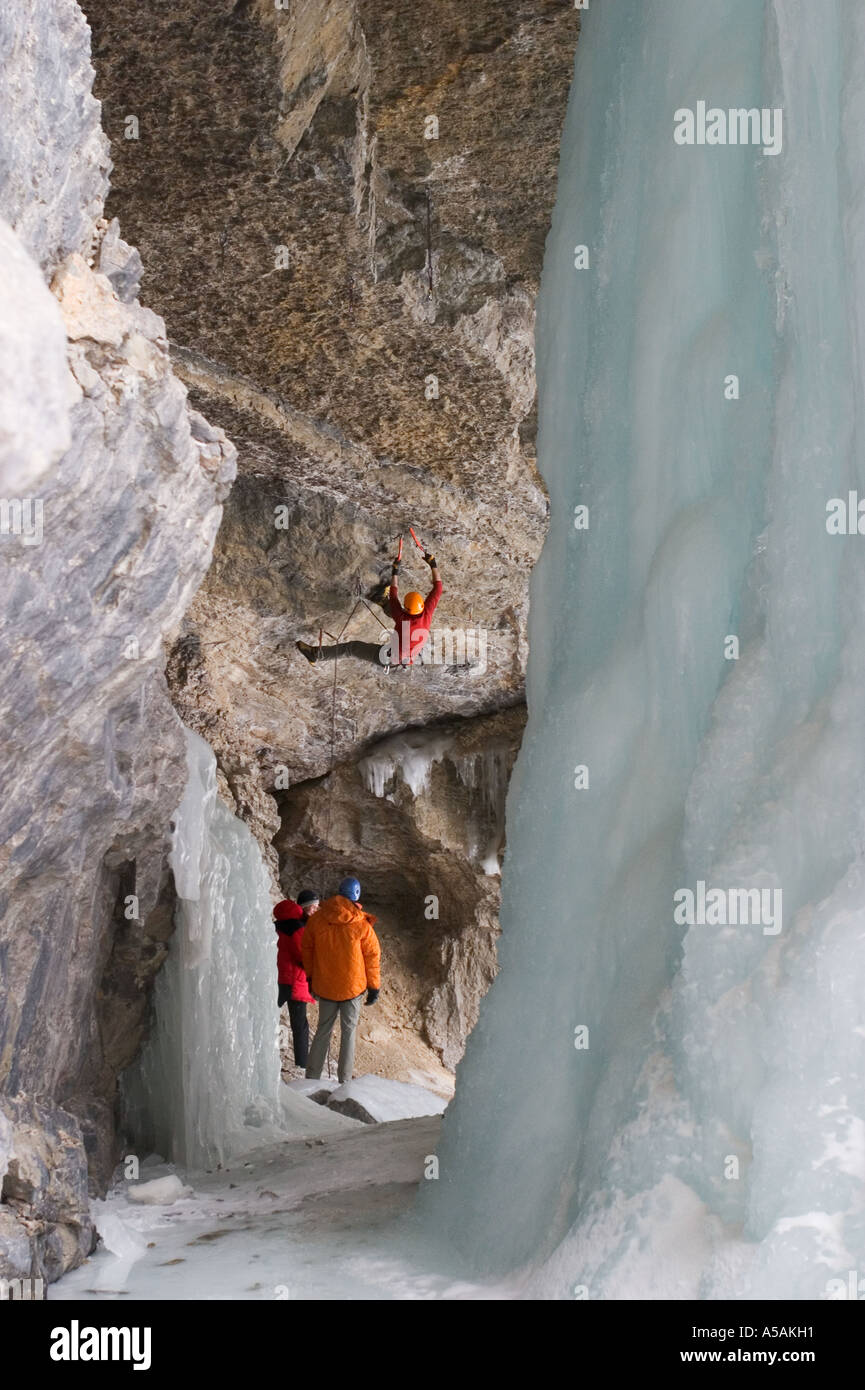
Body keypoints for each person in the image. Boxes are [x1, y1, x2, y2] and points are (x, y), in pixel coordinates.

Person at [296, 550, 442, 669]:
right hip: (404, 654)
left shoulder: (402, 616)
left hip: (387, 658)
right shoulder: (426, 613)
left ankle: (316, 655)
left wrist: (396, 572)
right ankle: (381, 600)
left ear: (408, 608)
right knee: (397, 615)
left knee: (351, 648)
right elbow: (437, 589)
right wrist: (432, 564)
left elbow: (394, 594)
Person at [302, 876, 381, 1084]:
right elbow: (372, 956)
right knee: (348, 1033)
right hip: (352, 988)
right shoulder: (362, 925)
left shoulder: (317, 919)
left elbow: (307, 950)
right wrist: (374, 986)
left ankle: (311, 1077)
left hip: (325, 986)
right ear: (356, 896)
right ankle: (344, 1082)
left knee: (323, 1030)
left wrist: (310, 977)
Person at [274, 898, 314, 1068]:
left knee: (277, 1017)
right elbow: (302, 955)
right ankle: (302, 1064)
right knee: (300, 1025)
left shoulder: (278, 927)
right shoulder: (297, 929)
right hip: (296, 981)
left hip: (281, 979)